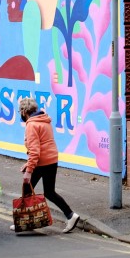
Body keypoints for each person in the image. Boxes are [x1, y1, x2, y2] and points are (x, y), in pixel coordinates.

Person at [18, 98, 79, 233]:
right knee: (50, 192)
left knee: (27, 189)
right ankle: (70, 215)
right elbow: (42, 145)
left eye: (19, 112)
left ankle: (29, 222)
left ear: (23, 111)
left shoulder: (32, 125)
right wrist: (28, 164)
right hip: (52, 159)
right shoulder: (44, 120)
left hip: (41, 162)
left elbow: (35, 151)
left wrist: (29, 171)